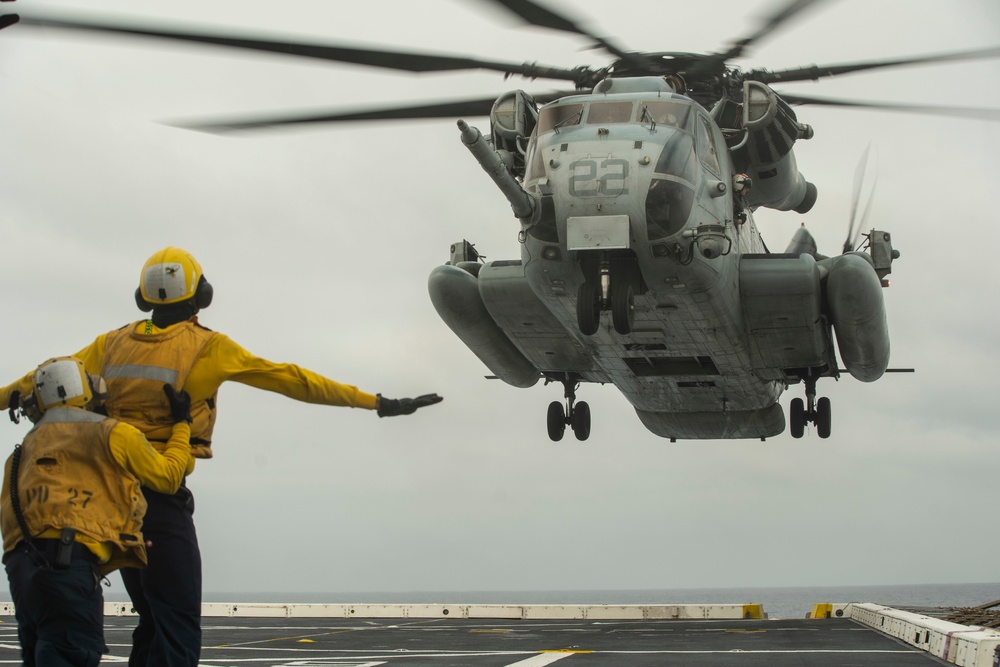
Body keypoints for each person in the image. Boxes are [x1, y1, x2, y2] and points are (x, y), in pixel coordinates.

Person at [0, 246, 442, 667]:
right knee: (176, 623)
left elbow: (30, 381)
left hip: (114, 506)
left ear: (143, 298)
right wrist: (375, 402)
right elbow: (292, 380)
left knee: (151, 621)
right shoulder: (209, 347)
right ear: (202, 295)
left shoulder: (109, 344)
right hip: (160, 497)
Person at [1, 356, 193, 667]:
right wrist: (182, 424)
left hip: (22, 572)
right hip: (67, 565)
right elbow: (169, 478)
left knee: (39, 655)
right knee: (71, 652)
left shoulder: (23, 451)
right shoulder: (114, 433)